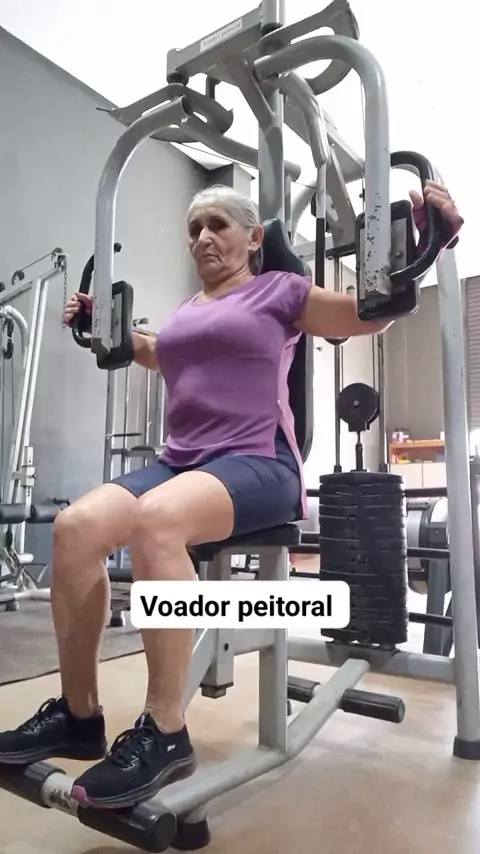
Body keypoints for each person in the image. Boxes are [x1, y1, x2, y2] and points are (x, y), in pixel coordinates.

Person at [0, 180, 463, 810]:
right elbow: (157, 353)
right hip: (179, 462)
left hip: (258, 462)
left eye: (217, 224)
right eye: (194, 229)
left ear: (253, 238)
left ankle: (165, 731)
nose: (203, 238)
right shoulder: (188, 309)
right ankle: (78, 716)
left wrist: (426, 247)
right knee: (75, 527)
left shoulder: (281, 290)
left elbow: (366, 314)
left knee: (158, 520)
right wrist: (102, 327)